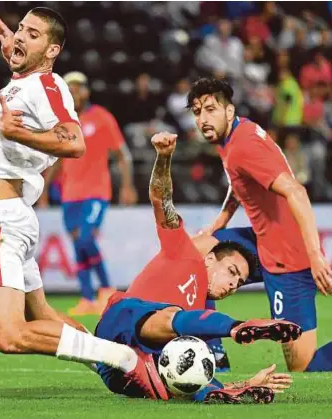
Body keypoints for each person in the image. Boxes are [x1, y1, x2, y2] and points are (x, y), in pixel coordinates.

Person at [0, 8, 165, 400]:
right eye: (21, 28)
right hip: (8, 218)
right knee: (45, 317)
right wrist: (16, 49)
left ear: (52, 50)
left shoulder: (48, 87)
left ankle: (122, 358)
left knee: (8, 334)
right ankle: (117, 365)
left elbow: (74, 142)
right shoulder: (27, 83)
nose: (20, 36)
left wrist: (16, 131)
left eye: (33, 34)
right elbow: (29, 81)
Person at [94, 132, 301, 402]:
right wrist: (164, 158)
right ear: (210, 258)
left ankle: (205, 385)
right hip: (118, 328)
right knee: (172, 318)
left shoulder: (202, 317)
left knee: (191, 362)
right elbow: (161, 199)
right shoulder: (183, 250)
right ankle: (237, 328)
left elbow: (194, 369)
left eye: (238, 284)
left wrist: (246, 383)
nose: (232, 286)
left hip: (137, 369)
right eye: (232, 273)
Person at [187, 77, 332, 372]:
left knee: (303, 365)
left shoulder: (244, 146)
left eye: (210, 109)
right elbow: (238, 181)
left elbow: (297, 191)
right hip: (261, 239)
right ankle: (215, 357)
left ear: (229, 111)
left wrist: (315, 255)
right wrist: (220, 221)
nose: (203, 118)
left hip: (286, 254)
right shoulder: (233, 135)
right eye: (197, 111)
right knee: (193, 256)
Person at [38, 71, 138, 316]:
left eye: (77, 88)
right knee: (77, 246)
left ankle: (106, 288)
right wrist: (43, 191)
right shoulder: (64, 123)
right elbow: (57, 161)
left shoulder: (101, 117)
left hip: (96, 192)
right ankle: (87, 297)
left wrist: (127, 185)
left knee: (85, 239)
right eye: (69, 89)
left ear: (86, 91)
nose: (74, 93)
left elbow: (122, 154)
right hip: (69, 194)